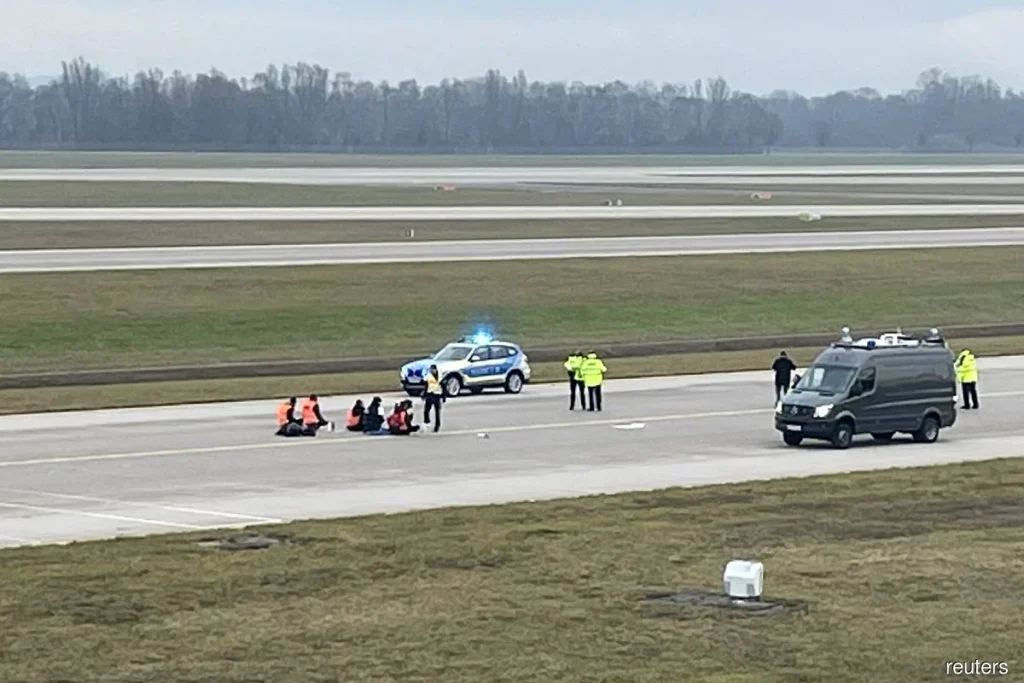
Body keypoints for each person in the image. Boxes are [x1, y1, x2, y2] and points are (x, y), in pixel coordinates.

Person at [423, 364, 445, 432]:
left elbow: (443, 387)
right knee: (426, 410)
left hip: (437, 395)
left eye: (433, 369)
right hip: (430, 394)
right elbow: (426, 386)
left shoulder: (440, 376)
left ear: (435, 369)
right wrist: (424, 395)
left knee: (437, 412)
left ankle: (437, 426)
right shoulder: (428, 376)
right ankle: (427, 422)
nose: (432, 371)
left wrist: (444, 396)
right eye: (431, 369)